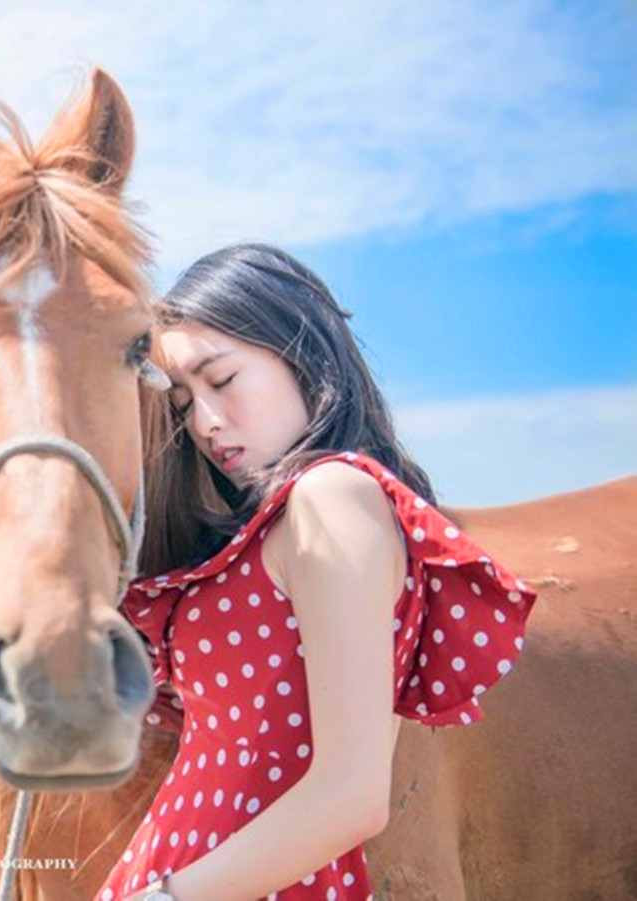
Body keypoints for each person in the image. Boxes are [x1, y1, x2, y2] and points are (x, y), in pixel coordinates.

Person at [98, 244, 537, 900]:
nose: (207, 423)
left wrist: (166, 896)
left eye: (222, 380)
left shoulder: (333, 497)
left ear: (300, 352)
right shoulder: (272, 523)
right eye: (186, 402)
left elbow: (353, 796)